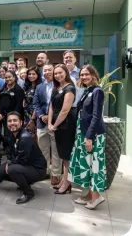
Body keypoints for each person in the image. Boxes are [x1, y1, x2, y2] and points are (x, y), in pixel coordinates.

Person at [68, 65, 107, 209]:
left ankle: (96, 197)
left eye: (86, 74)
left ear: (94, 75)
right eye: (82, 75)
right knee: (87, 164)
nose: (84, 77)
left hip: (93, 135)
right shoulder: (88, 90)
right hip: (83, 133)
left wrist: (89, 137)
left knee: (93, 165)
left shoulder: (97, 91)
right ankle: (89, 195)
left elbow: (97, 116)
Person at [0, 111, 47, 204]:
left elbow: (22, 160)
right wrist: (10, 161)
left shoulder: (25, 137)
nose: (12, 123)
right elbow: (10, 152)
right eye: (9, 121)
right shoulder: (12, 135)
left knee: (11, 169)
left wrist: (10, 164)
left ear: (21, 122)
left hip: (38, 169)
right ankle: (23, 182)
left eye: (15, 120)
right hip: (25, 165)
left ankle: (28, 193)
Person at [49, 64, 77, 194]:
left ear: (66, 72)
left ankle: (66, 183)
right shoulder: (56, 88)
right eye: (55, 74)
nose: (58, 75)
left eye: (60, 73)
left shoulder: (70, 88)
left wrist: (55, 125)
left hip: (65, 125)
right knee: (62, 155)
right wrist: (50, 123)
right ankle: (64, 181)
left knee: (66, 156)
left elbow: (65, 110)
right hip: (56, 125)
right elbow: (51, 107)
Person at [33, 64, 62, 186]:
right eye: (45, 70)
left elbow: (62, 106)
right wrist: (41, 116)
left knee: (55, 150)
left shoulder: (60, 86)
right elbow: (36, 104)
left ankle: (55, 174)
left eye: (50, 70)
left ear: (53, 71)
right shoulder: (39, 87)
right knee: (42, 149)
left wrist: (51, 118)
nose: (47, 72)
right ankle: (44, 171)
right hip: (42, 123)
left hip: (56, 123)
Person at [23, 66, 43, 137]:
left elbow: (38, 104)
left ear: (38, 75)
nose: (31, 76)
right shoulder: (27, 85)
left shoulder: (40, 86)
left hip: (35, 115)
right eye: (29, 74)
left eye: (34, 74)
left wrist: (32, 119)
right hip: (26, 114)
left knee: (34, 136)